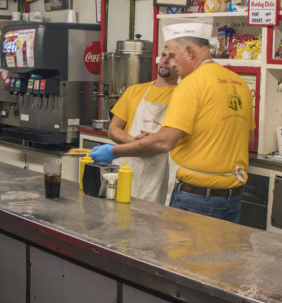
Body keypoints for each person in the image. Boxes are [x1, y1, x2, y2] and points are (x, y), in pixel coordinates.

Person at [90, 23, 255, 223]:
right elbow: (246, 138)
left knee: (181, 254)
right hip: (232, 197)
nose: (172, 64)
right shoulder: (239, 83)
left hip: (197, 198)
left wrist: (113, 152)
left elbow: (164, 142)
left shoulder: (191, 84)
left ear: (190, 52)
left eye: (174, 57)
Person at [108, 47, 179, 204]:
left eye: (172, 57)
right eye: (164, 55)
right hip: (128, 168)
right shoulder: (135, 90)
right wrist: (134, 143)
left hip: (159, 174)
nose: (165, 60)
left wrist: (145, 144)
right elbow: (113, 129)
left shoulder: (182, 96)